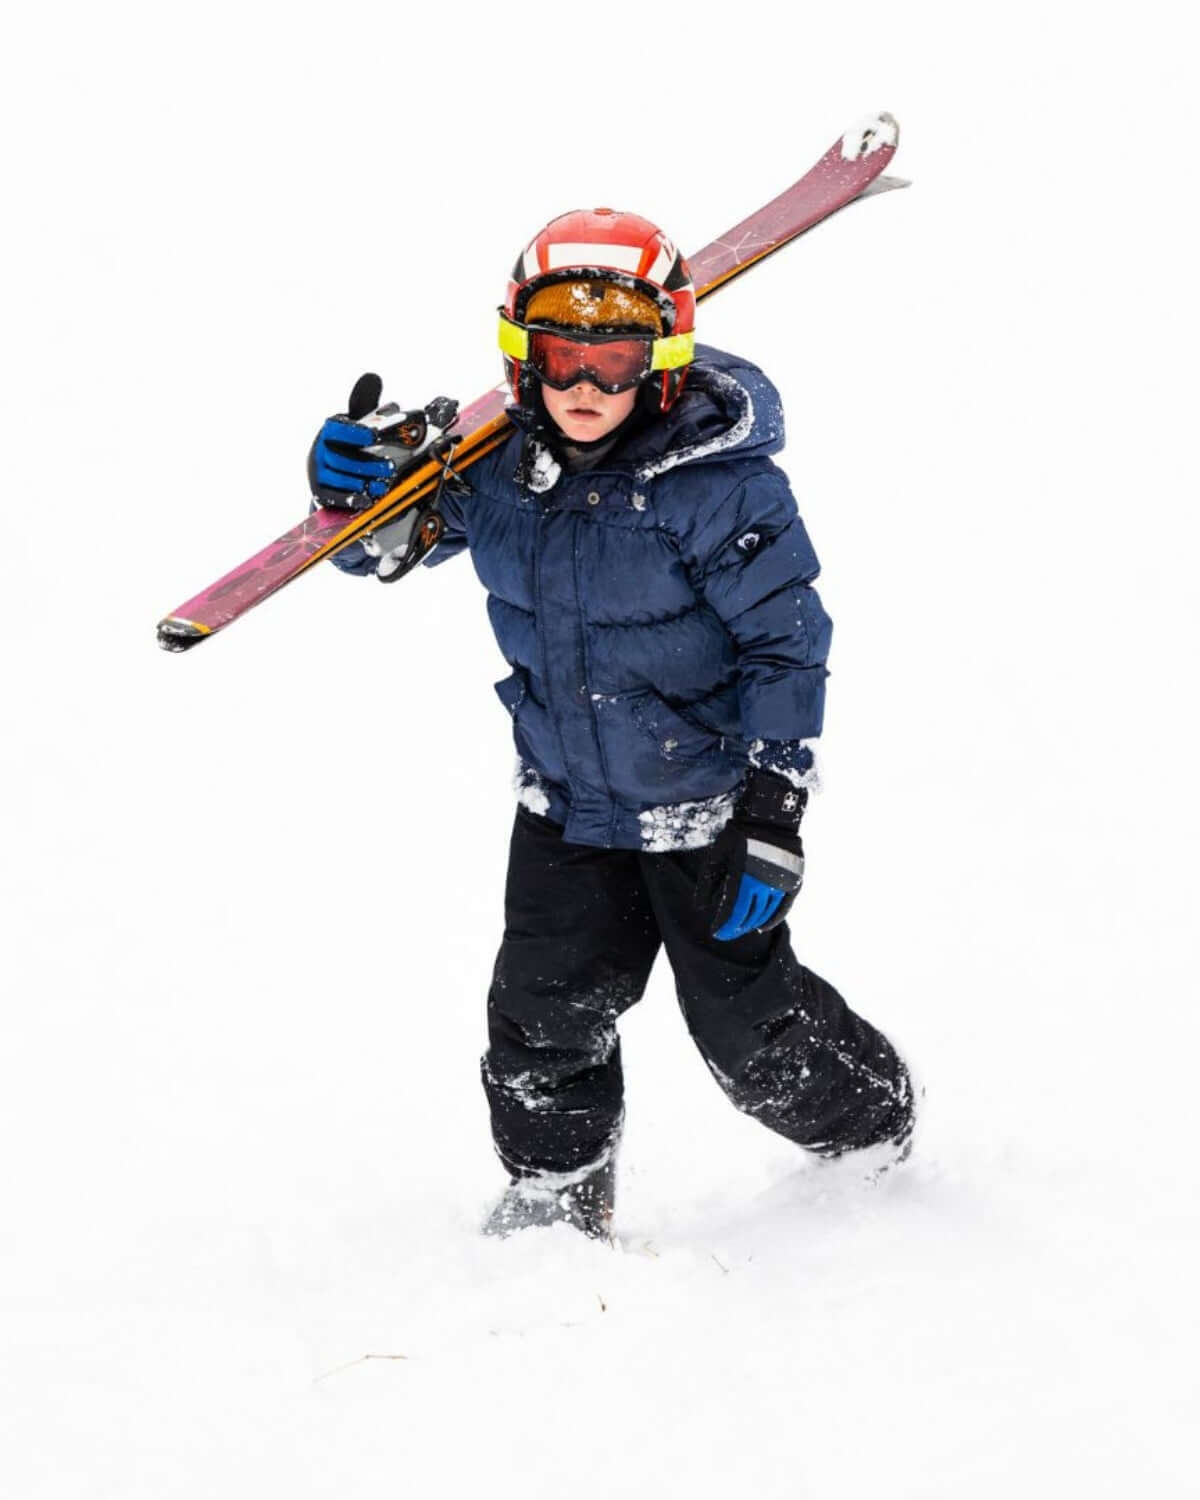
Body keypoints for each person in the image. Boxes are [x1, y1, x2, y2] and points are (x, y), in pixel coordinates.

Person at [308, 208, 915, 1241]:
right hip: (568, 807)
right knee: (541, 1020)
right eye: (561, 358)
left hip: (705, 811)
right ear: (522, 355)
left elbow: (789, 645)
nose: (586, 387)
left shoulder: (722, 485)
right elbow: (386, 549)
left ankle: (869, 1130)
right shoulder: (494, 471)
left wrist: (773, 811)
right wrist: (351, 497)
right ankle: (558, 1185)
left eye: (617, 359)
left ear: (664, 362)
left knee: (747, 1030)